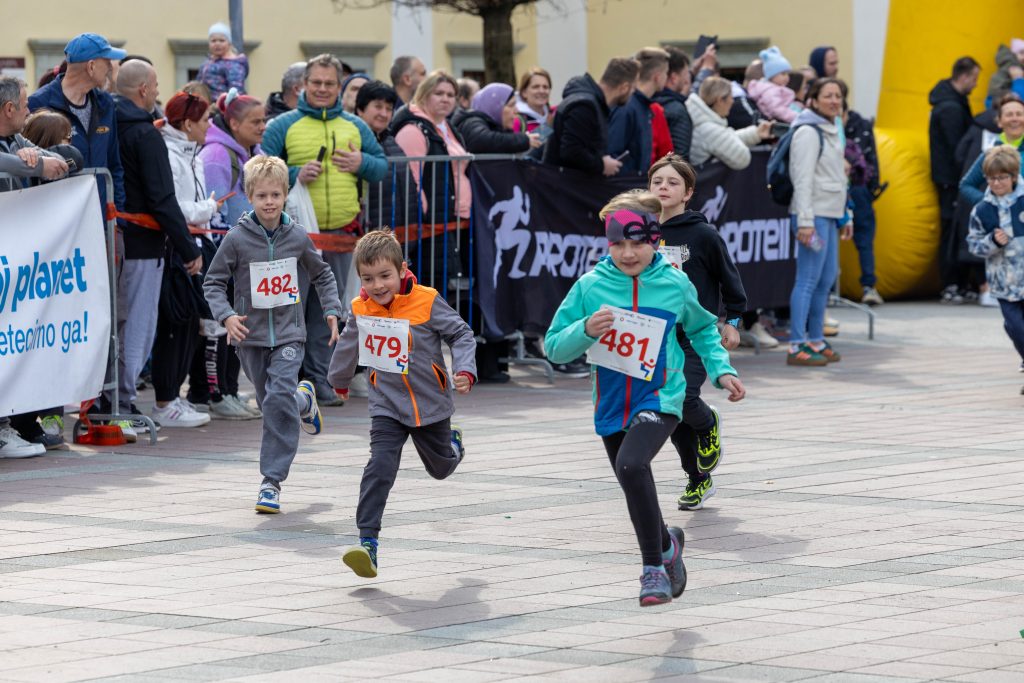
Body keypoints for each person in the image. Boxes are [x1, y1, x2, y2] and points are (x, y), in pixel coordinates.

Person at [544, 190, 745, 606]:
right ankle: (668, 546)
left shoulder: (674, 283)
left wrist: (722, 370)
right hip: (611, 403)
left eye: (637, 243)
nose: (628, 253)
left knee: (632, 464)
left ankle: (653, 569)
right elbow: (553, 347)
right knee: (632, 480)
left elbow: (702, 328)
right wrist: (585, 329)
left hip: (661, 395)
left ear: (654, 240)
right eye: (618, 243)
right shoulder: (590, 286)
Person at [331, 230, 476, 579]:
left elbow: (460, 333)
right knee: (380, 465)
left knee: (440, 469)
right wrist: (339, 382)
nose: (377, 285)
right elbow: (348, 345)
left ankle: (453, 445)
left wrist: (465, 369)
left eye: (385, 276)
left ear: (402, 270)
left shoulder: (426, 300)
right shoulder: (361, 308)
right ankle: (367, 542)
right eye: (368, 278)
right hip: (386, 404)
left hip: (431, 403)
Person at [203, 155, 342, 514]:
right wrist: (227, 316)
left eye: (276, 195)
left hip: (289, 334)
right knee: (274, 403)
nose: (269, 202)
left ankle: (271, 482)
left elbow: (322, 274)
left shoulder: (296, 236)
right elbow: (213, 282)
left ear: (285, 196)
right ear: (249, 196)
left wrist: (332, 309)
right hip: (249, 338)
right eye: (262, 195)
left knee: (277, 399)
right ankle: (303, 401)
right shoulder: (236, 239)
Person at [263, 53, 387, 404]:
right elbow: (258, 168)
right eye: (316, 82)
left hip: (341, 236)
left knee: (326, 311)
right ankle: (284, 383)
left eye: (329, 83)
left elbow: (381, 167)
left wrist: (362, 162)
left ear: (339, 86)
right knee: (289, 312)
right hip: (292, 237)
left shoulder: (355, 126)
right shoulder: (282, 125)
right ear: (304, 84)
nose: (322, 89)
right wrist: (293, 174)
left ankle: (319, 380)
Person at [649, 154, 746, 511]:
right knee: (671, 410)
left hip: (693, 336)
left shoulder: (703, 235)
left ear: (688, 192)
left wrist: (733, 321)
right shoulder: (643, 233)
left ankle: (708, 424)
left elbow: (730, 281)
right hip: (656, 337)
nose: (664, 187)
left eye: (672, 182)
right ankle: (698, 478)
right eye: (657, 181)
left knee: (685, 397)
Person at [114, 60, 206, 433]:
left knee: (121, 324)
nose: (157, 91)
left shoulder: (109, 126)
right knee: (139, 326)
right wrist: (188, 248)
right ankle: (122, 402)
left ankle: (116, 399)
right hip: (143, 245)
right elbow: (162, 198)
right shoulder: (145, 135)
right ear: (143, 90)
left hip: (117, 239)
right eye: (154, 84)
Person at [0, 77, 70, 458]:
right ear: (9, 108)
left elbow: (69, 159)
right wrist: (36, 165)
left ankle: (13, 424)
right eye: (25, 104)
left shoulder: (15, 139)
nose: (29, 111)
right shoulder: (13, 147)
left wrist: (41, 159)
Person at [194, 89, 267, 418]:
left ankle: (231, 389)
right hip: (225, 251)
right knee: (222, 324)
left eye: (264, 120)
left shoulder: (254, 153)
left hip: (247, 250)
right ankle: (215, 392)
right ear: (234, 123)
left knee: (241, 324)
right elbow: (214, 208)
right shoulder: (216, 154)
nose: (262, 126)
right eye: (255, 121)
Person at [156, 90, 225, 426]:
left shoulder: (192, 152)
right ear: (186, 123)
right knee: (177, 323)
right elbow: (175, 206)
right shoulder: (169, 154)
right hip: (176, 248)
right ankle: (165, 400)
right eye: (205, 119)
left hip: (197, 243)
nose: (210, 125)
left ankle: (175, 397)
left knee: (193, 325)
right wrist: (208, 208)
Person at [786, 78, 852, 366]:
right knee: (808, 279)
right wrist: (805, 221)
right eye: (828, 95)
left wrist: (845, 214)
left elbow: (837, 178)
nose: (834, 101)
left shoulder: (831, 129)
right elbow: (802, 179)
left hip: (829, 215)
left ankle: (815, 338)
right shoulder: (808, 132)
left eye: (838, 95)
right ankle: (796, 344)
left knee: (826, 279)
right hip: (812, 217)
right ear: (813, 99)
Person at [28, 32, 126, 211]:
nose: (110, 68)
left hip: (101, 219)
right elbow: (29, 168)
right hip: (58, 218)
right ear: (91, 66)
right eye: (106, 61)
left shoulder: (105, 103)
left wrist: (117, 215)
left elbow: (114, 164)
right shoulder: (39, 103)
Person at [958, 95, 1024, 307]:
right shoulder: (991, 153)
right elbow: (966, 185)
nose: (1015, 119)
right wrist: (989, 205)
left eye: (1019, 114)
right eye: (1009, 115)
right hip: (1003, 243)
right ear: (999, 121)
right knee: (1013, 316)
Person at [966, 145, 1024, 379]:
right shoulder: (982, 210)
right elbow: (973, 245)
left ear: (1013, 176)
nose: (997, 183)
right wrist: (992, 241)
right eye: (991, 179)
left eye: (1002, 178)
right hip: (1004, 284)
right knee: (1015, 326)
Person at [930, 56, 981, 304]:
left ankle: (959, 282)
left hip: (951, 178)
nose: (976, 84)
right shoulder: (951, 108)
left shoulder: (952, 103)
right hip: (951, 179)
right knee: (951, 230)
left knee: (957, 228)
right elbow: (956, 148)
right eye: (974, 79)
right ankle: (951, 282)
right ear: (964, 76)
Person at [543, 57, 639, 177]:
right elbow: (571, 150)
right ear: (624, 88)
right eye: (633, 88)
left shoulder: (592, 104)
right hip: (565, 184)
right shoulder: (585, 106)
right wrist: (602, 165)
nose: (633, 93)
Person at [354, 80, 421, 230]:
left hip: (400, 233)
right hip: (370, 235)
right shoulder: (353, 142)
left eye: (389, 108)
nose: (384, 114)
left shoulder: (392, 141)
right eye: (378, 107)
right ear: (360, 109)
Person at [687, 76, 772, 169]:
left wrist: (756, 133)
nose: (732, 101)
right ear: (720, 100)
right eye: (731, 97)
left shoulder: (704, 124)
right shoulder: (710, 130)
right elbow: (743, 158)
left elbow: (726, 138)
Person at [608, 47, 669, 176]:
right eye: (666, 73)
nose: (667, 77)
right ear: (657, 77)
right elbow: (614, 151)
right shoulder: (628, 106)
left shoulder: (643, 106)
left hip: (634, 184)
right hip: (625, 185)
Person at [453, 82, 539, 154]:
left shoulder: (496, 126)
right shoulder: (472, 121)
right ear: (495, 107)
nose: (517, 110)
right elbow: (481, 140)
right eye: (511, 105)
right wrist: (522, 140)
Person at [651, 47, 693, 161]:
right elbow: (680, 156)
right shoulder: (677, 110)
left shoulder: (643, 102)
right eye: (685, 74)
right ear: (674, 78)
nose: (686, 80)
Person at [197, 22, 249, 99]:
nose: (217, 44)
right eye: (213, 41)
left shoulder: (234, 65)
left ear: (229, 43)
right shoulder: (206, 64)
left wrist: (225, 103)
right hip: (207, 103)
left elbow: (236, 91)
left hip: (223, 104)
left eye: (222, 40)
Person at [747, 46, 797, 124]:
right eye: (783, 74)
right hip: (779, 123)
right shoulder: (769, 90)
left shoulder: (775, 88)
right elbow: (776, 109)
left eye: (788, 73)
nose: (787, 77)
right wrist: (795, 117)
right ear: (772, 75)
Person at [514, 67, 553, 134]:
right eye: (536, 87)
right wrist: (547, 127)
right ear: (524, 92)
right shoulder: (516, 121)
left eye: (545, 87)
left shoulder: (555, 114)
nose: (541, 91)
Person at [986, 41, 1024, 107]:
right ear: (1013, 55)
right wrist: (1018, 80)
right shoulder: (1001, 76)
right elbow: (991, 103)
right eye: (1021, 52)